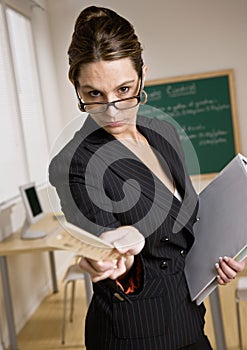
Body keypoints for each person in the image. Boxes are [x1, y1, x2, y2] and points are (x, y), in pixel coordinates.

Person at [49, 6, 245, 350]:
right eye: (94, 94)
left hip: (189, 313)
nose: (112, 111)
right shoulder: (73, 163)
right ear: (75, 86)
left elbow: (183, 224)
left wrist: (221, 257)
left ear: (143, 75)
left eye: (125, 90)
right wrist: (111, 251)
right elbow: (99, 239)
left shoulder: (162, 131)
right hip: (134, 334)